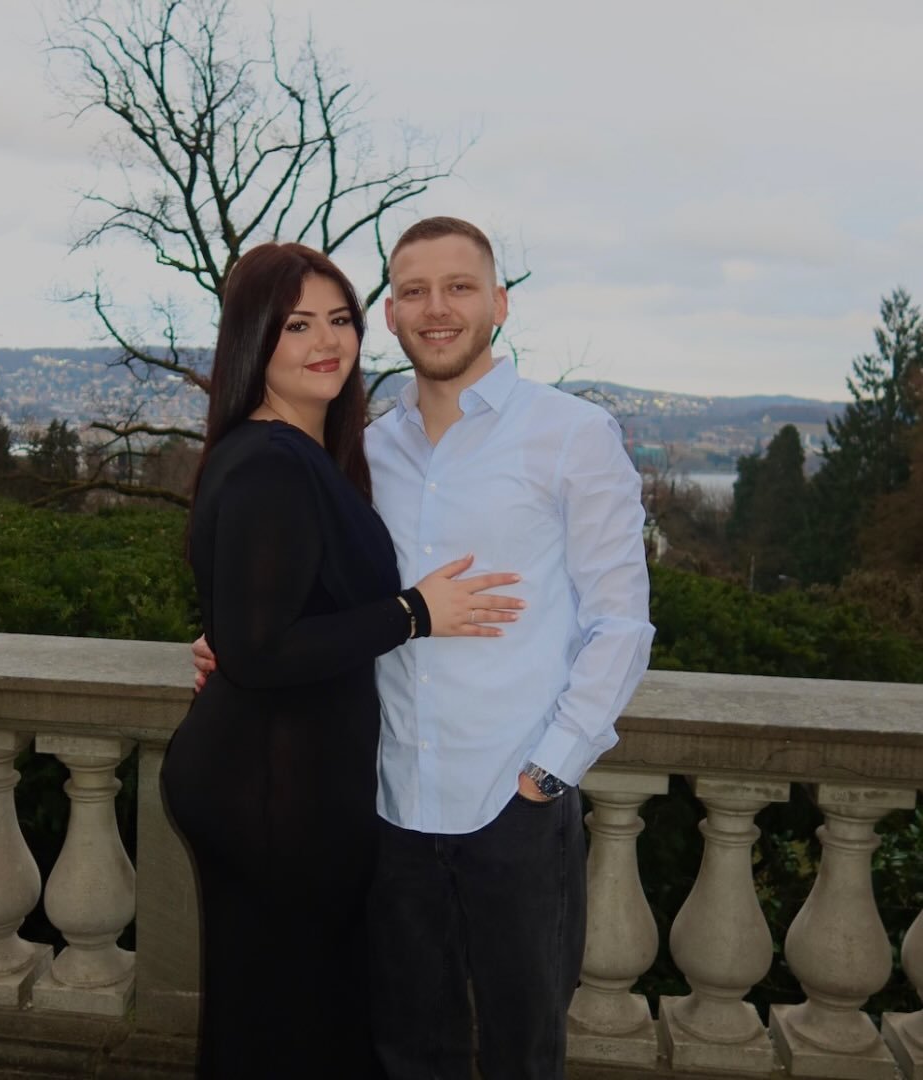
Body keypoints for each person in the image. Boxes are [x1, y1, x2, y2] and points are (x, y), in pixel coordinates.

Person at [194, 217, 653, 1080]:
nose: (437, 308)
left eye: (459, 287)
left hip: (512, 800)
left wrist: (549, 772)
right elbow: (320, 584)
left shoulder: (570, 435)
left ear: (499, 304)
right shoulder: (364, 448)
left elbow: (621, 623)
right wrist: (236, 635)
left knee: (522, 1055)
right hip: (388, 805)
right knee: (407, 1054)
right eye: (414, 291)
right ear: (393, 316)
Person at [160, 241, 526, 1080]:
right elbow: (262, 648)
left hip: (280, 778)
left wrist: (238, 639)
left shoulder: (301, 452)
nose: (326, 341)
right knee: (294, 1024)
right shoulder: (273, 461)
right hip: (272, 794)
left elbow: (261, 621)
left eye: (339, 320)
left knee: (276, 1017)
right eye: (296, 325)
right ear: (255, 339)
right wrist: (415, 612)